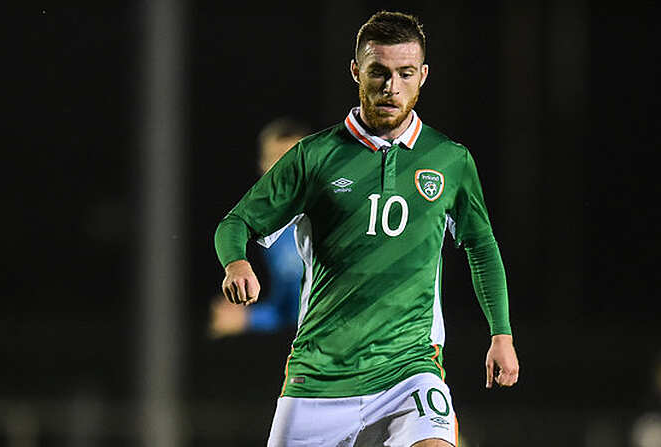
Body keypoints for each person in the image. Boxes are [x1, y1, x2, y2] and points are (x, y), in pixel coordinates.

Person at [214, 11, 519, 446]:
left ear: (423, 76)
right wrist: (236, 260)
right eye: (379, 72)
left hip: (409, 369)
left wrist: (501, 333)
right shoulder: (314, 157)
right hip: (319, 376)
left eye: (405, 73)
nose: (391, 86)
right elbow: (236, 222)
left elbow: (481, 245)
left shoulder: (450, 160)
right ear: (357, 71)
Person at [209, 118, 309, 338]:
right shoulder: (273, 233)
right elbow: (288, 309)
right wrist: (246, 319)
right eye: (277, 159)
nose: (285, 170)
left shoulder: (333, 211)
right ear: (263, 166)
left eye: (293, 159)